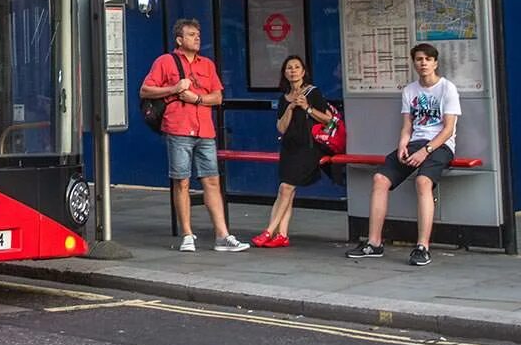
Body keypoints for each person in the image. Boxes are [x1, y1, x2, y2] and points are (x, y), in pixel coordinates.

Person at [140, 18, 250, 253]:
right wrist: (174, 88)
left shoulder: (207, 64)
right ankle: (187, 234)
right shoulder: (165, 62)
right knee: (182, 181)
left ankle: (222, 235)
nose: (197, 38)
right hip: (178, 127)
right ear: (179, 40)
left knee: (212, 180)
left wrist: (197, 98)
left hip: (205, 130)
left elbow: (218, 97)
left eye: (198, 34)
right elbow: (145, 90)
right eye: (191, 34)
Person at [347, 43, 461, 267]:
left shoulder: (448, 89)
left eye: (428, 59)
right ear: (414, 63)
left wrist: (425, 151)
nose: (423, 63)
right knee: (380, 179)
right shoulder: (410, 90)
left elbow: (448, 129)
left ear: (435, 63)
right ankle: (374, 242)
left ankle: (422, 247)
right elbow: (407, 125)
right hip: (416, 142)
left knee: (422, 181)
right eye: (419, 59)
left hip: (440, 146)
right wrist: (402, 145)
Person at [251, 55, 337, 249]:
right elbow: (281, 127)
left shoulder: (313, 92)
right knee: (286, 190)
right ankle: (282, 234)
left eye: (297, 67)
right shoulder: (284, 98)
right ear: (284, 73)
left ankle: (269, 231)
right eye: (289, 68)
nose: (293, 71)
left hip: (309, 148)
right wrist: (290, 107)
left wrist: (307, 108)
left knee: (286, 188)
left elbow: (328, 120)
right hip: (289, 148)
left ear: (303, 71)